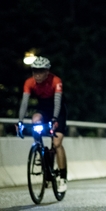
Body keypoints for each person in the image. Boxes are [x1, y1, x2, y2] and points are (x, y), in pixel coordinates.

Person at [17, 56, 68, 192]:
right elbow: (24, 103)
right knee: (35, 120)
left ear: (47, 72)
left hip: (58, 111)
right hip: (43, 109)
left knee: (57, 144)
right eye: (35, 71)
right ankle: (40, 149)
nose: (37, 75)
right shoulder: (29, 82)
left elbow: (57, 104)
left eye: (41, 71)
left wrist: (54, 120)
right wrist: (20, 121)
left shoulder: (56, 81)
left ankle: (62, 178)